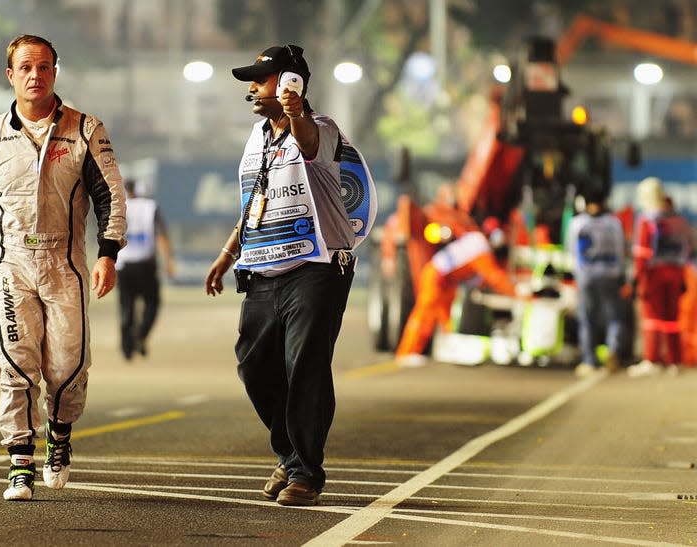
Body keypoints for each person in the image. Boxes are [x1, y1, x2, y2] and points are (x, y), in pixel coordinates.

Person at [0, 34, 127, 501]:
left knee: (68, 365)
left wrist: (108, 252)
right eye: (26, 68)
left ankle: (60, 434)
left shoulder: (85, 129)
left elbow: (111, 194)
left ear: (55, 72)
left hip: (65, 265)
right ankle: (19, 461)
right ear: (10, 75)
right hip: (10, 266)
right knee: (15, 363)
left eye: (44, 67)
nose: (35, 75)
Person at [204, 44, 367, 507]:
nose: (252, 88)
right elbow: (256, 197)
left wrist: (296, 113)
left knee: (305, 367)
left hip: (317, 268)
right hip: (263, 266)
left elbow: (310, 145)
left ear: (291, 82)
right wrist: (228, 250)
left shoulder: (322, 129)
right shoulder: (257, 137)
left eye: (262, 78)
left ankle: (305, 473)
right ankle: (291, 453)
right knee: (254, 366)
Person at [395, 212, 516, 366]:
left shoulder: (475, 241)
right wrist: (517, 293)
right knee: (424, 314)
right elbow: (495, 277)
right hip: (436, 277)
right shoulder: (480, 246)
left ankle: (449, 350)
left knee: (447, 317)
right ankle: (407, 353)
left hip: (445, 281)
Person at [627, 178, 690, 377]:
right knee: (671, 320)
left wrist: (637, 278)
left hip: (653, 275)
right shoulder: (677, 219)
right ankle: (674, 360)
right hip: (676, 273)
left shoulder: (647, 219)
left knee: (651, 319)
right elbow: (686, 247)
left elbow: (642, 252)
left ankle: (652, 359)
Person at [565, 187, 627, 376]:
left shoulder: (578, 223)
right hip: (610, 274)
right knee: (614, 317)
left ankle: (589, 360)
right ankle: (613, 353)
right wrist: (621, 273)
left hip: (586, 275)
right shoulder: (614, 223)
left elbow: (571, 251)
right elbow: (620, 250)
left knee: (587, 318)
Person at [116, 179, 174, 360]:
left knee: (126, 307)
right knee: (152, 303)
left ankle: (127, 349)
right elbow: (161, 235)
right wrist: (169, 260)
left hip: (124, 264)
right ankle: (141, 334)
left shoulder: (119, 206)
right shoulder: (151, 206)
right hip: (146, 264)